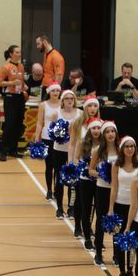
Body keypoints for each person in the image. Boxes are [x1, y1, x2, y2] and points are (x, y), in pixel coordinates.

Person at [109, 136, 138, 276]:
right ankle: (122, 271)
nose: (129, 149)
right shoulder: (116, 165)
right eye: (127, 146)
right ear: (122, 149)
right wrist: (110, 208)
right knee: (120, 239)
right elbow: (114, 187)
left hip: (135, 207)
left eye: (132, 146)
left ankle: (130, 271)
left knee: (132, 241)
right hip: (120, 205)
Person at [70, 96, 101, 239]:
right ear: (85, 108)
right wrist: (72, 164)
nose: (93, 109)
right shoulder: (78, 123)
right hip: (81, 166)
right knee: (80, 199)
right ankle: (78, 226)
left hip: (96, 169)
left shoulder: (101, 124)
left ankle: (88, 227)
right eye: (90, 106)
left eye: (95, 106)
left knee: (94, 202)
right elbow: (73, 145)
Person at [90, 121, 119, 266]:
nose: (110, 134)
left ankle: (117, 254)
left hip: (117, 190)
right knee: (101, 220)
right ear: (103, 135)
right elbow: (91, 170)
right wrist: (101, 174)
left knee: (117, 221)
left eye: (112, 131)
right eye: (107, 132)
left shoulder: (121, 150)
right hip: (102, 189)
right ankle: (98, 253)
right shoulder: (97, 150)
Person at [74, 119, 103, 250]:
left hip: (100, 181)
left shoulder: (104, 145)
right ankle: (87, 238)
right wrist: (83, 167)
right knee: (86, 210)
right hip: (85, 180)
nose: (96, 131)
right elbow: (76, 159)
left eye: (98, 128)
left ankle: (98, 239)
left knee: (99, 210)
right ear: (89, 130)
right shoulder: (83, 143)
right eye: (93, 128)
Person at [52, 90, 81, 219]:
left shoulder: (80, 113)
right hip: (59, 149)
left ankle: (71, 208)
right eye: (67, 98)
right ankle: (59, 208)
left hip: (74, 151)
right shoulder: (56, 113)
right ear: (63, 101)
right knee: (59, 179)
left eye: (72, 98)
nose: (70, 100)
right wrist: (62, 134)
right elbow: (53, 133)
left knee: (73, 180)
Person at [0, 45, 27, 160]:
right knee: (9, 124)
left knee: (18, 124)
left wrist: (24, 87)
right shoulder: (6, 67)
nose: (19, 54)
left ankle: (13, 150)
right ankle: (3, 151)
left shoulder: (21, 66)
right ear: (11, 54)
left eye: (20, 52)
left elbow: (21, 81)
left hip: (20, 97)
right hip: (10, 97)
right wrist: (12, 83)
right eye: (17, 52)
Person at [35, 82, 62, 199]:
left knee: (58, 166)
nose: (55, 93)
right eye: (53, 90)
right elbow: (39, 122)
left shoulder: (63, 104)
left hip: (60, 138)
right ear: (49, 92)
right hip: (47, 137)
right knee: (49, 165)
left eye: (57, 90)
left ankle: (57, 189)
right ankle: (49, 190)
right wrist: (37, 137)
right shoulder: (43, 105)